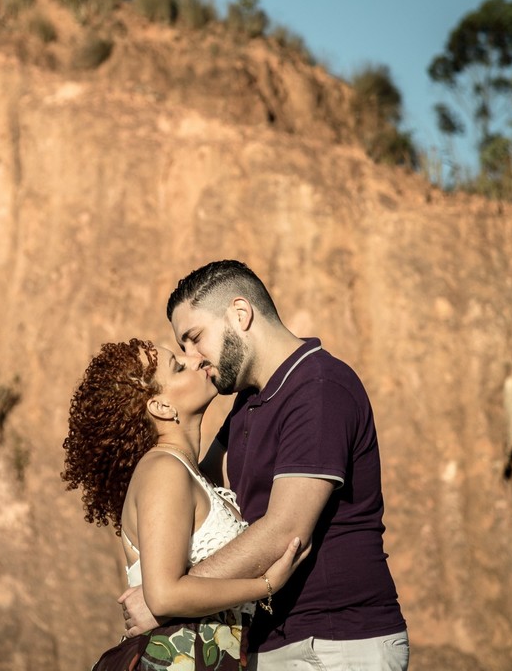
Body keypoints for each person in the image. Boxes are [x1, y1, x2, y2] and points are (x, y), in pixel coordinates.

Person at [120, 260, 408, 670]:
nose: (194, 357)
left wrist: (164, 600)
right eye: (182, 349)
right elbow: (192, 490)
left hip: (335, 642)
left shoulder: (318, 387)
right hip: (268, 644)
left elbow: (284, 531)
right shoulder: (248, 405)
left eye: (195, 337)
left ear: (240, 314)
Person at [63, 337, 308, 670]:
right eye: (178, 366)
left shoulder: (189, 472)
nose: (195, 359)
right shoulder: (163, 470)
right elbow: (163, 596)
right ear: (161, 407)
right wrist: (265, 585)